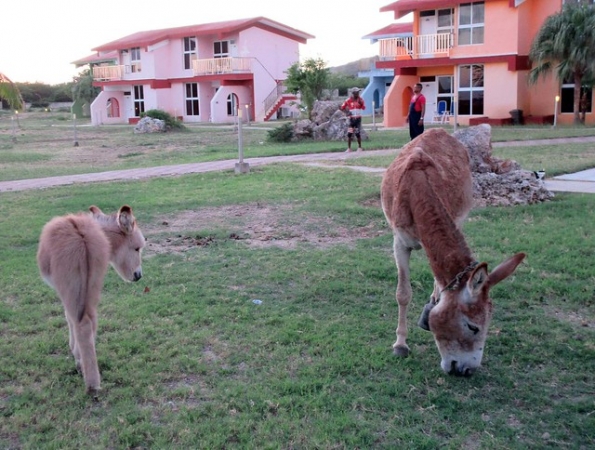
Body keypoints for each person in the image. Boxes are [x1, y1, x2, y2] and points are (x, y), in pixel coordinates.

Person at [340, 87, 366, 152]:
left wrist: (361, 103)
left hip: (358, 119)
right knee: (350, 133)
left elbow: (364, 108)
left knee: (357, 133)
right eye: (356, 93)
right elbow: (342, 107)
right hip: (351, 119)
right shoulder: (348, 100)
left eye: (358, 93)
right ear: (353, 93)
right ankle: (349, 148)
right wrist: (347, 112)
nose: (358, 94)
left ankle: (359, 147)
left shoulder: (360, 100)